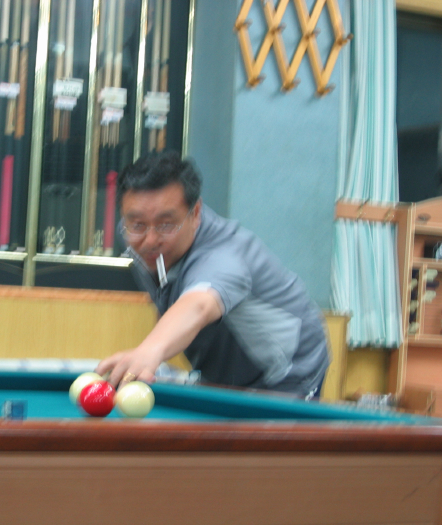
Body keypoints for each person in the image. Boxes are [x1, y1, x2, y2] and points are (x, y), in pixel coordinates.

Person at [95, 151, 330, 399]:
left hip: (288, 374)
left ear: (196, 213)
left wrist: (149, 350)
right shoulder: (138, 238)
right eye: (137, 224)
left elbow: (199, 304)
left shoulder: (224, 256)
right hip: (224, 372)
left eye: (166, 224)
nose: (150, 240)